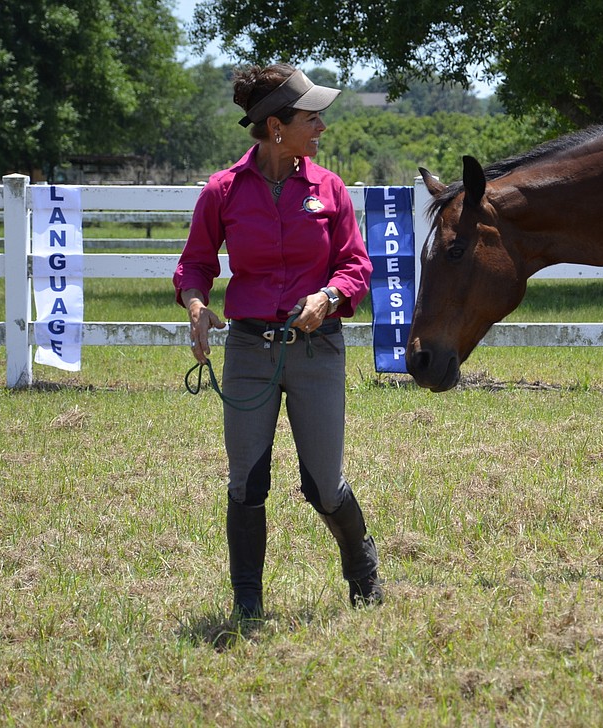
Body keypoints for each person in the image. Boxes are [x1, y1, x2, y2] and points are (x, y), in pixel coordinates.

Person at [173, 64, 381, 620]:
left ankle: (362, 566)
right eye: (311, 118)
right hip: (247, 350)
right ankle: (248, 604)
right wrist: (195, 304)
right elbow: (194, 265)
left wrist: (330, 299)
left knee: (323, 485)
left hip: (318, 349)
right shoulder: (222, 191)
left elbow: (355, 265)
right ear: (274, 128)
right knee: (247, 481)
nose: (321, 127)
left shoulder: (329, 188)